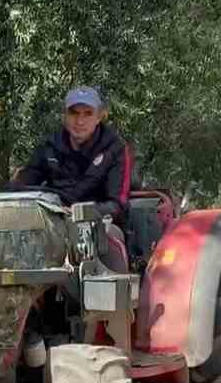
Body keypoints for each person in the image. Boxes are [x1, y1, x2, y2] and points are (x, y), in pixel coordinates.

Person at [12, 85, 135, 271]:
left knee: (108, 240)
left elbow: (118, 205)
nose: (80, 121)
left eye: (87, 113)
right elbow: (24, 184)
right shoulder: (50, 146)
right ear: (64, 115)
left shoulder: (115, 149)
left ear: (99, 116)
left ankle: (114, 298)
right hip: (52, 222)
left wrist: (78, 213)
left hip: (98, 224)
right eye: (74, 113)